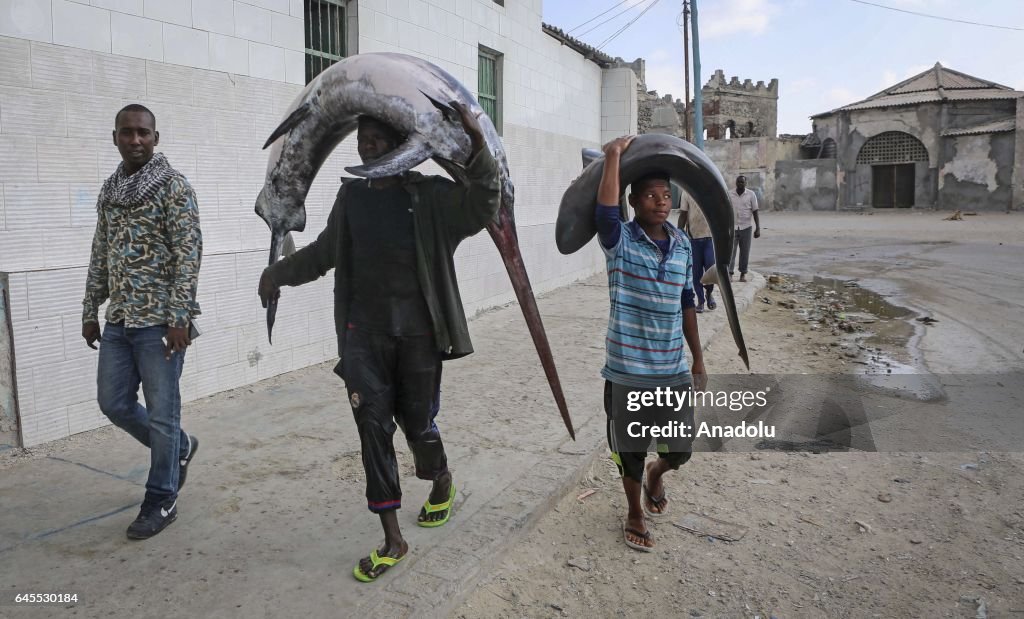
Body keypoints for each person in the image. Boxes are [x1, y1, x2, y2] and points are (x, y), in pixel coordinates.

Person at [257, 103, 499, 582]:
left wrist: (478, 147)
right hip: (361, 337)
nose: (367, 146)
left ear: (399, 143)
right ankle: (393, 537)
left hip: (419, 335)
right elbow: (324, 254)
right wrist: (277, 274)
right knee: (372, 428)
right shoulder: (352, 199)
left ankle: (441, 480)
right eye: (362, 139)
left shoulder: (431, 196)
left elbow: (483, 205)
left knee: (418, 426)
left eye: (377, 139)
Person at [82, 104, 203, 540]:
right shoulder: (110, 192)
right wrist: (90, 309)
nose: (136, 140)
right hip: (119, 321)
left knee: (163, 416)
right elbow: (101, 253)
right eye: (127, 132)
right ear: (114, 136)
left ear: (156, 137)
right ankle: (181, 450)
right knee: (113, 403)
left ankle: (162, 498)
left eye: (144, 133)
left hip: (160, 325)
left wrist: (179, 318)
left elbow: (189, 255)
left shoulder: (173, 187)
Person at [594, 136, 707, 552]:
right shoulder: (619, 242)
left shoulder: (681, 247)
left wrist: (697, 360)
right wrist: (612, 158)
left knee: (680, 449)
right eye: (650, 196)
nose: (661, 202)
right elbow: (604, 212)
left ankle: (656, 476)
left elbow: (687, 305)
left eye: (665, 195)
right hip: (628, 372)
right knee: (629, 451)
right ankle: (634, 512)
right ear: (635, 202)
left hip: (672, 369)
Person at [677, 192, 717, 312]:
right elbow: (683, 214)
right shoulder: (686, 193)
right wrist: (678, 235)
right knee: (696, 273)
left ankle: (709, 294)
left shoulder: (709, 191)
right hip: (694, 239)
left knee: (711, 270)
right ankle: (700, 301)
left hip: (709, 238)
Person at [728, 175, 760, 282]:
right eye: (738, 182)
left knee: (745, 252)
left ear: (746, 183)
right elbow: (726, 210)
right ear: (736, 183)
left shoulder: (751, 195)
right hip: (732, 227)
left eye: (742, 182)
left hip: (746, 227)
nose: (740, 184)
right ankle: (730, 273)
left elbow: (755, 211)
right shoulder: (730, 194)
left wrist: (758, 228)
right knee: (731, 251)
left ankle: (743, 274)